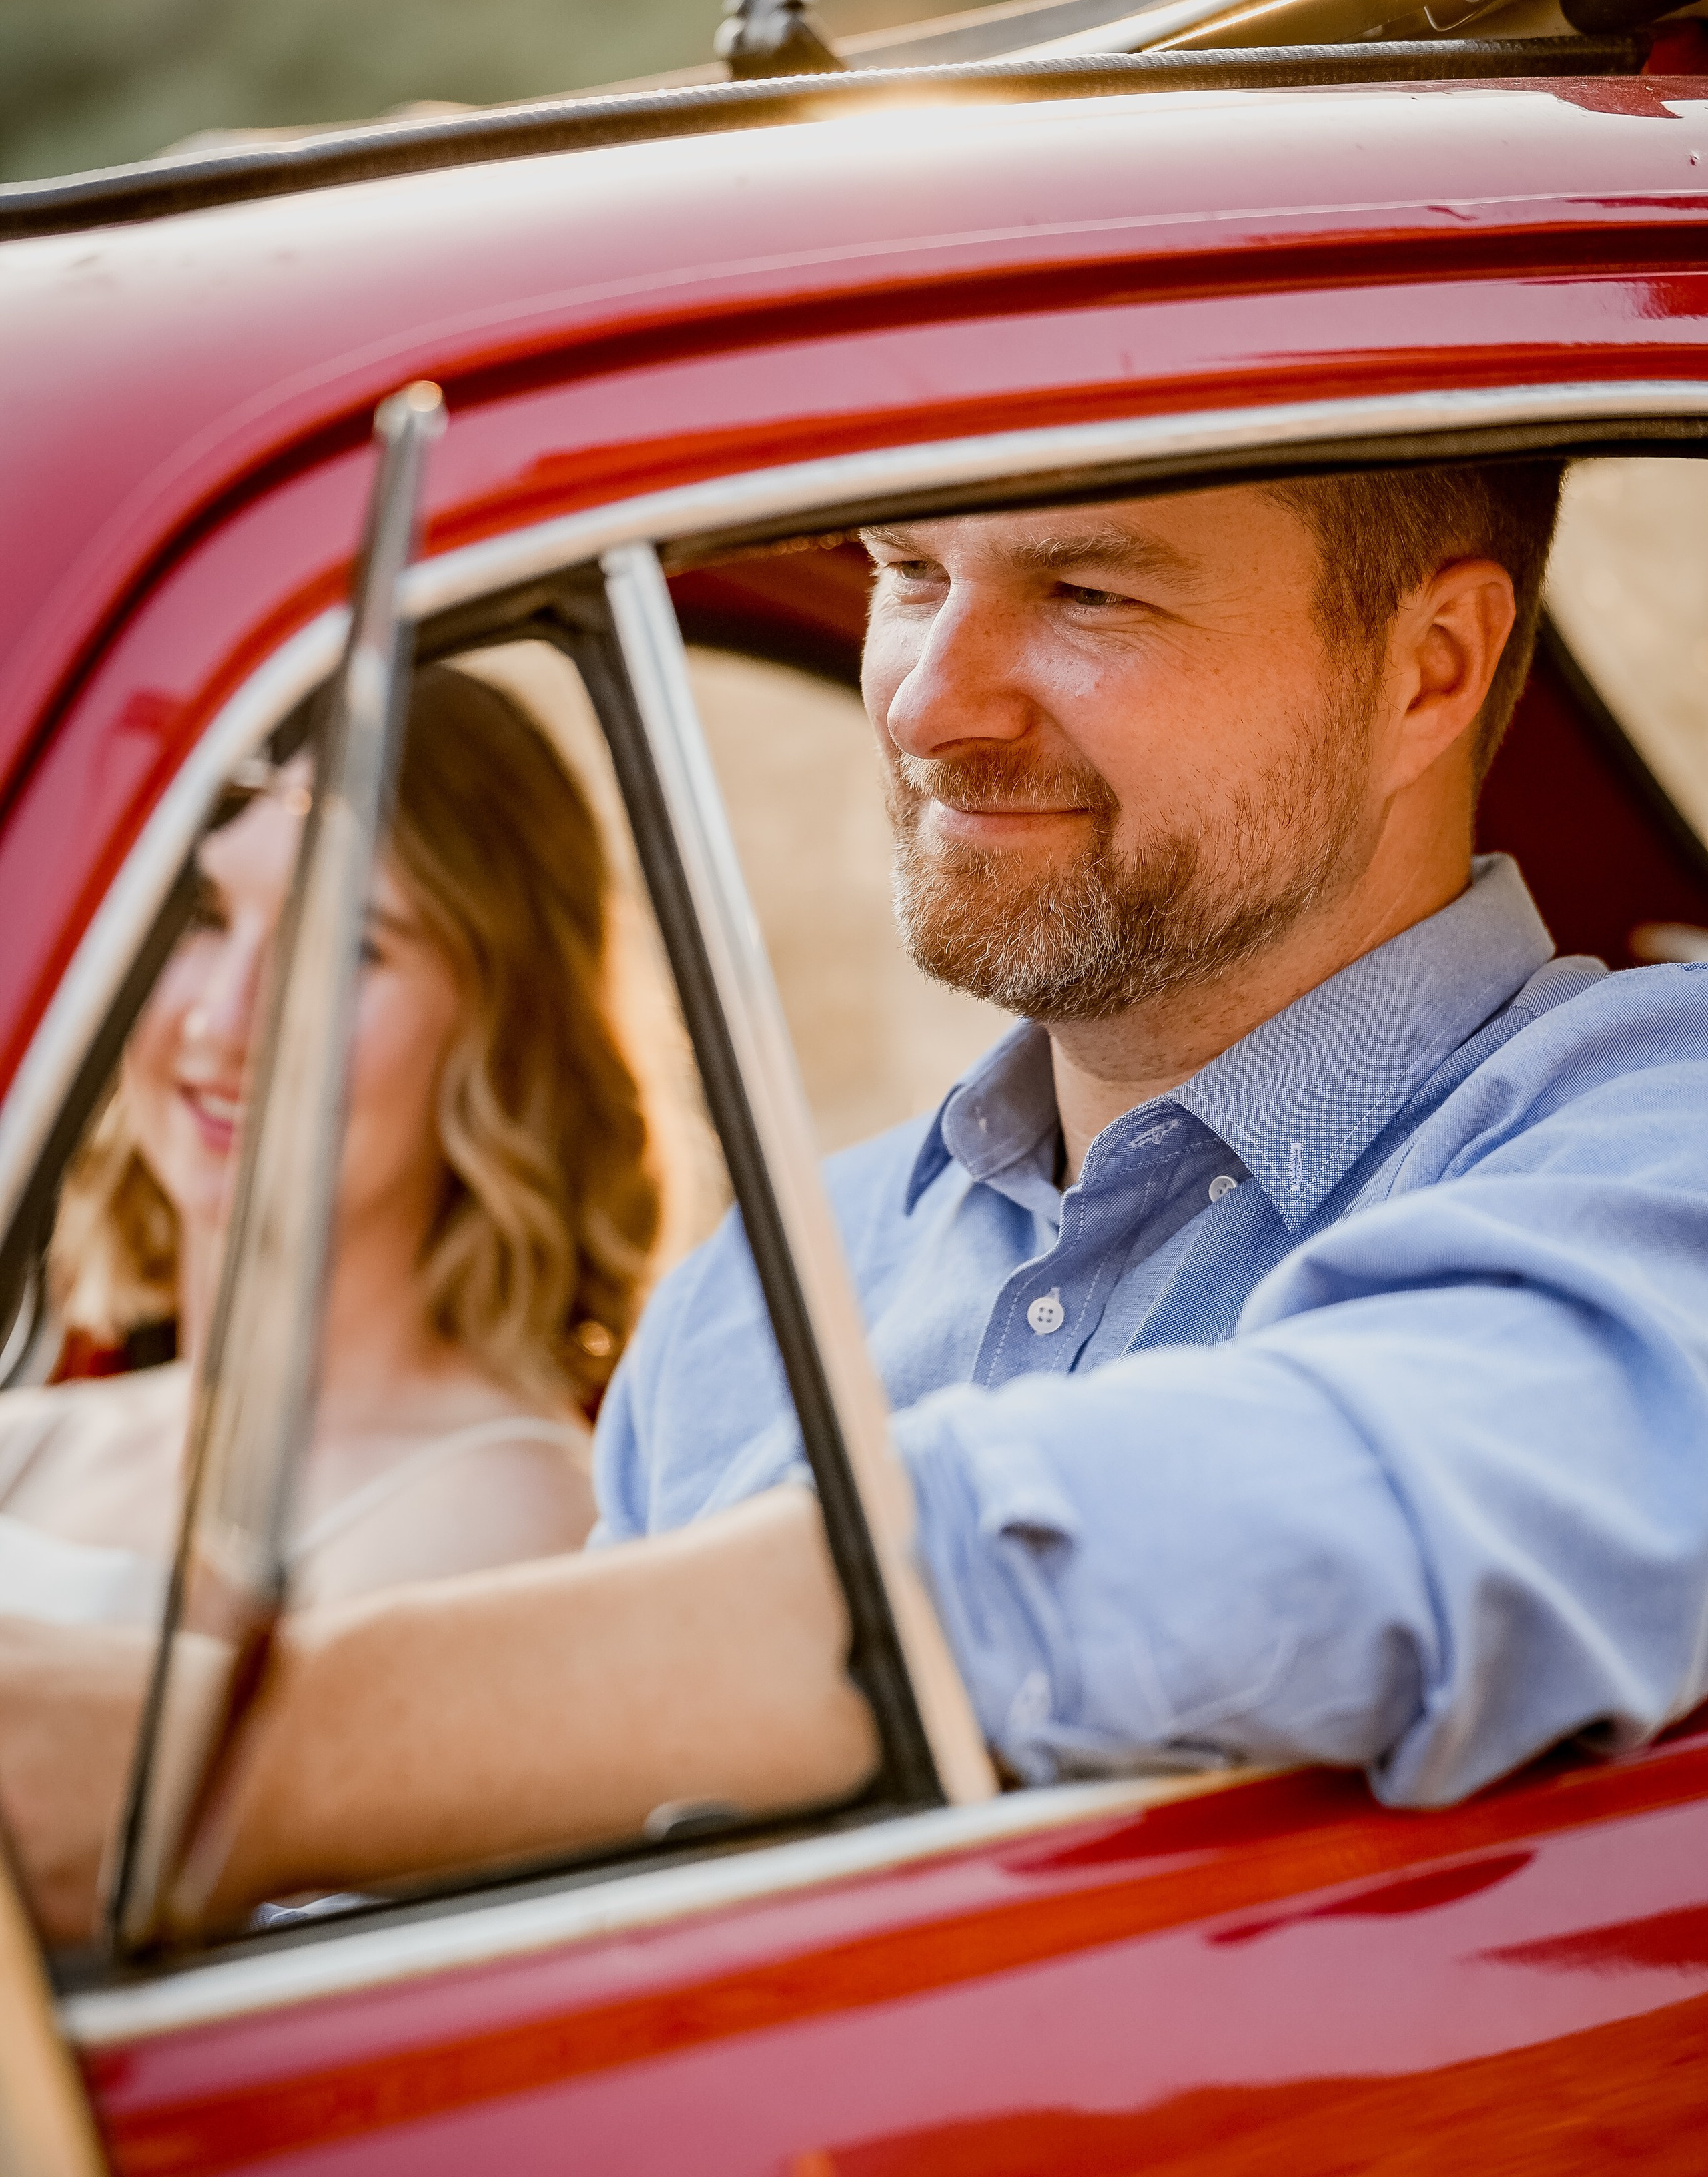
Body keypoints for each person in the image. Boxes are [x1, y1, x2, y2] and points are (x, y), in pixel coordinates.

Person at [8, 462, 1708, 1948]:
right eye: (904, 572)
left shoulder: (1648, 1127)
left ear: (1429, 666)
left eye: (1086, 591)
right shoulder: (759, 1286)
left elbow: (1348, 1518)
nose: (924, 705)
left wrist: (241, 1764)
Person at [0, 664, 659, 1626]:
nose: (223, 1021)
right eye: (202, 918)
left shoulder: (512, 1524)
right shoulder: (31, 1445)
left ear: (507, 1035)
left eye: (346, 945)